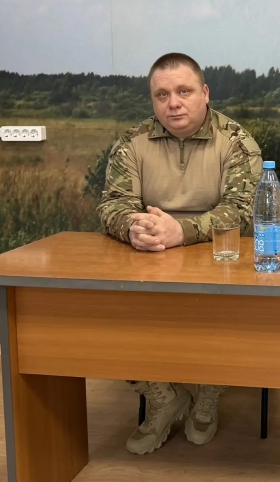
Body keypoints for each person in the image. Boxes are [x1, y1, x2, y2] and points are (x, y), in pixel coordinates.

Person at [97, 52, 262, 455]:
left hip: (219, 261)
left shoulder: (237, 142)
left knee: (229, 317)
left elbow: (243, 211)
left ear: (204, 93)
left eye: (184, 92)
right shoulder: (132, 142)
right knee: (102, 314)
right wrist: (134, 227)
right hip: (151, 257)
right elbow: (112, 204)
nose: (173, 103)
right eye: (162, 95)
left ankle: (208, 393)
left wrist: (182, 231)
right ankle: (162, 396)